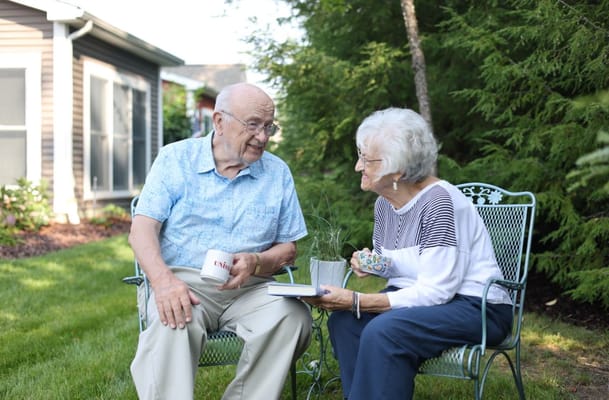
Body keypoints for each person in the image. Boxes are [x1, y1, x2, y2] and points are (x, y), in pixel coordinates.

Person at [303, 107, 513, 400]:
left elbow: (437, 290)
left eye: (366, 159)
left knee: (384, 330)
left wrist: (357, 300)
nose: (357, 166)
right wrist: (377, 265)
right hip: (430, 302)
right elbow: (408, 265)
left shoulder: (440, 202)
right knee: (345, 322)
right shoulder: (384, 203)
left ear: (397, 170)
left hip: (476, 307)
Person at [129, 83, 312, 400]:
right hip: (184, 281)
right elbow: (141, 230)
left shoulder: (277, 172)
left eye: (269, 126)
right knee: (174, 321)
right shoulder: (176, 159)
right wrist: (163, 282)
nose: (263, 137)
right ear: (219, 122)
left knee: (292, 318)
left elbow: (289, 248)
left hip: (251, 287)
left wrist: (257, 262)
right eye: (253, 125)